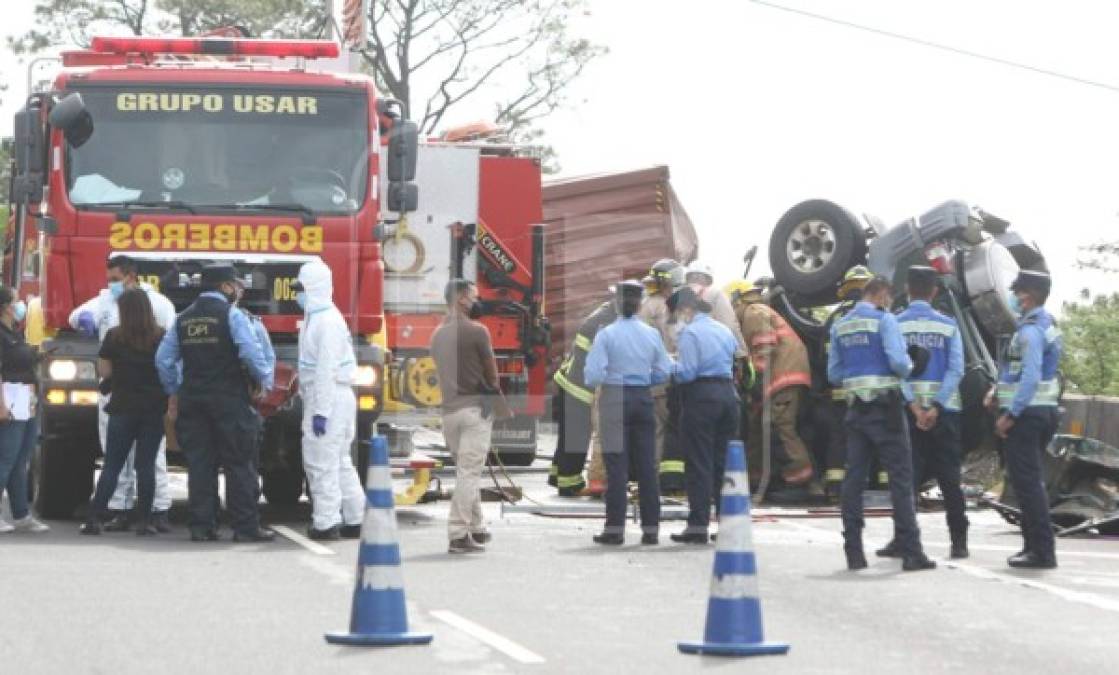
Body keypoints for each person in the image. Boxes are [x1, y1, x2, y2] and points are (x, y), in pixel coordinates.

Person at [156, 263, 275, 543]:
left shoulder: (183, 319)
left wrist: (174, 389)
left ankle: (201, 526)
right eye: (236, 285)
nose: (239, 291)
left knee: (200, 464)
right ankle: (245, 528)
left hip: (193, 400)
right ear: (225, 287)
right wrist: (264, 382)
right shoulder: (232, 316)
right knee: (239, 464)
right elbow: (249, 351)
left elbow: (163, 361)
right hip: (229, 399)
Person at [828, 276, 935, 572]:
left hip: (855, 411)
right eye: (888, 297)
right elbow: (900, 364)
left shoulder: (840, 325)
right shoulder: (884, 320)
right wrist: (912, 365)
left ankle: (854, 553)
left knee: (854, 480)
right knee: (901, 479)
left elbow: (834, 374)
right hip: (886, 410)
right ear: (881, 294)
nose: (889, 303)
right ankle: (912, 552)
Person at [69, 255, 176, 532]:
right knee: (148, 464)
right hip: (152, 408)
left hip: (121, 406)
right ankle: (148, 519)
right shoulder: (160, 334)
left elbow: (105, 371)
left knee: (113, 464)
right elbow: (168, 366)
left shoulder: (114, 336)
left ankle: (96, 517)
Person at [878, 266, 968, 560]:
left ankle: (901, 539)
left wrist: (915, 406)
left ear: (907, 288)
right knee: (949, 478)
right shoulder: (949, 325)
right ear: (934, 291)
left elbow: (894, 370)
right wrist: (937, 405)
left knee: (906, 477)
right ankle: (959, 542)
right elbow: (957, 370)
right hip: (946, 413)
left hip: (908, 413)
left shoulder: (895, 324)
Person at [584, 280, 673, 546]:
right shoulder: (651, 334)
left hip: (614, 398)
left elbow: (593, 375)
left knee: (617, 467)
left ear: (616, 303)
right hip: (642, 398)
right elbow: (663, 371)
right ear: (639, 304)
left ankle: (614, 530)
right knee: (647, 466)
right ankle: (650, 530)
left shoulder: (606, 334)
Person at [431, 279, 511, 554]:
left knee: (467, 472)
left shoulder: (437, 334)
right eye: (475, 297)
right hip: (474, 411)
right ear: (462, 299)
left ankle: (476, 527)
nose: (478, 302)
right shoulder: (478, 331)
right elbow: (492, 374)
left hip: (449, 413)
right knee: (469, 473)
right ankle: (458, 533)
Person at [989, 270, 1061, 569]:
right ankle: (1034, 548)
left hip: (1028, 414)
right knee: (1030, 482)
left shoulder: (1030, 330)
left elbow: (1030, 378)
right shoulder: (1047, 325)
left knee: (1028, 484)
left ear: (1027, 295)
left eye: (1017, 292)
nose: (1014, 297)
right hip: (1041, 411)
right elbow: (1022, 371)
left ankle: (1041, 551)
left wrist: (1010, 414)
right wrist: (997, 390)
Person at [292, 259, 365, 541]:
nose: (298, 294)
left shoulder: (326, 321)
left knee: (320, 461)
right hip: (333, 397)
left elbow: (325, 371)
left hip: (330, 397)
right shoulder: (320, 317)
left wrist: (320, 411)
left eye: (302, 288)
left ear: (315, 288)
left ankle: (325, 522)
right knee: (339, 460)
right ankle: (355, 516)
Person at [666, 287, 739, 544]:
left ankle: (697, 526)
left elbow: (687, 373)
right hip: (728, 396)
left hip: (701, 398)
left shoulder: (690, 333)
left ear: (685, 309)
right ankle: (728, 528)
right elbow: (733, 360)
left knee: (699, 463)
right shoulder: (724, 330)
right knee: (723, 465)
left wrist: (669, 365)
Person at [725, 280, 814, 487]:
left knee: (779, 425)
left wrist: (755, 375)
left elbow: (764, 346)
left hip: (782, 376)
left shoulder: (753, 311)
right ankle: (756, 480)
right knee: (758, 428)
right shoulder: (752, 314)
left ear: (737, 300)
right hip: (776, 378)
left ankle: (800, 481)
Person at [550, 292, 616, 497]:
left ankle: (558, 476)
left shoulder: (600, 314)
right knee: (576, 438)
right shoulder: (604, 323)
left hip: (567, 381)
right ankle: (569, 485)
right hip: (578, 388)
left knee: (567, 437)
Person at [818, 265, 873, 497]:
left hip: (840, 392)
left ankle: (836, 488)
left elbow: (825, 356)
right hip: (874, 391)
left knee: (839, 438)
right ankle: (879, 485)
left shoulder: (836, 318)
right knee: (875, 437)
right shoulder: (881, 316)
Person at [0, 287, 48, 534]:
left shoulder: (13, 332)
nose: (20, 306)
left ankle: (21, 514)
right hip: (10, 398)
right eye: (16, 302)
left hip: (26, 398)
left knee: (21, 458)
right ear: (7, 306)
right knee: (5, 458)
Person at [637, 259, 687, 493]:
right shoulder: (663, 308)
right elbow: (676, 341)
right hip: (662, 378)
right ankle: (660, 482)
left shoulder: (645, 305)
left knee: (653, 431)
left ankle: (650, 480)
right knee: (665, 430)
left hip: (645, 377)